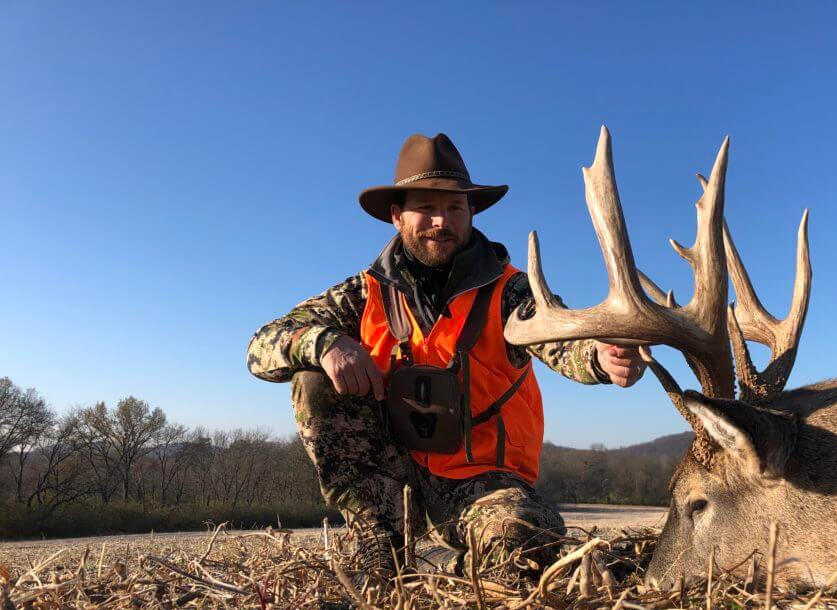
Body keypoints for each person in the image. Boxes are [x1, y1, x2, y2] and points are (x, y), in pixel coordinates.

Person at [246, 133, 645, 580]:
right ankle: (379, 542)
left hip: (481, 485)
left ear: (471, 213)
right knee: (313, 374)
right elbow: (262, 345)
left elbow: (557, 336)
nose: (441, 220)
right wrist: (327, 345)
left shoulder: (510, 289)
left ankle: (438, 563)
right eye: (426, 207)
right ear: (397, 216)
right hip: (391, 487)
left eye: (455, 207)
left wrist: (600, 357)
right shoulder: (363, 293)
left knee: (524, 540)